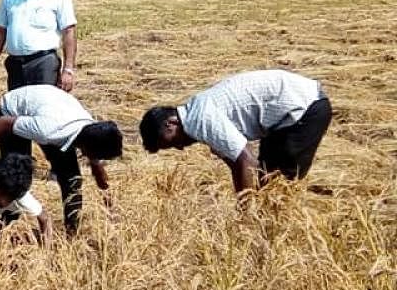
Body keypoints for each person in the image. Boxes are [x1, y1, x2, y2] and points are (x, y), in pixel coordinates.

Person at [139, 69, 332, 195]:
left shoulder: (201, 120)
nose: (179, 148)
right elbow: (238, 166)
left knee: (280, 188)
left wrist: (245, 215)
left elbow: (245, 160)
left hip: (305, 108)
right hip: (282, 119)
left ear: (171, 123)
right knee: (266, 180)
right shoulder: (199, 116)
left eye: (171, 142)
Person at [0, 84, 123, 236]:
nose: (95, 158)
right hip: (13, 108)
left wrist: (108, 200)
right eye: (97, 155)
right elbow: (3, 123)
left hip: (47, 106)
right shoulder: (49, 131)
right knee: (16, 179)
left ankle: (71, 232)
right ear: (87, 146)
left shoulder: (89, 128)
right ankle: (0, 229)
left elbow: (97, 167)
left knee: (72, 180)